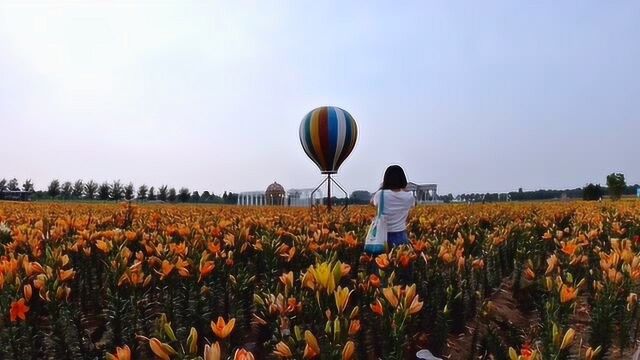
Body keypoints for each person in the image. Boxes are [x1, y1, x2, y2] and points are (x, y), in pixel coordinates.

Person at [371, 165, 415, 249]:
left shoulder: (380, 194)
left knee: (382, 260)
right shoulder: (409, 196)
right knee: (399, 260)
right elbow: (414, 204)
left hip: (382, 236)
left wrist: (382, 187)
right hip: (401, 235)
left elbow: (372, 202)